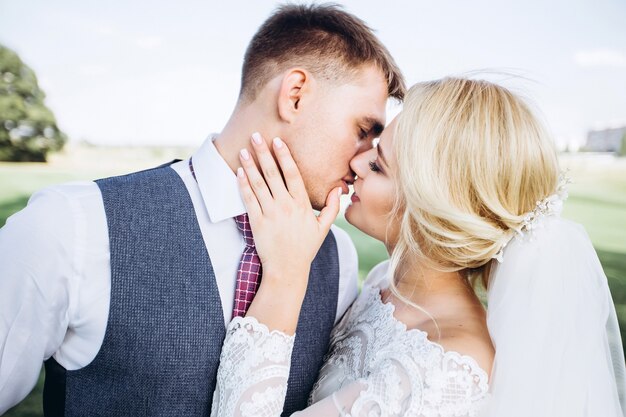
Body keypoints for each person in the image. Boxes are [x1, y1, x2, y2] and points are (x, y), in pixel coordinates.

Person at [0, 4, 405, 416]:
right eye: (362, 131)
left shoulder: (338, 258)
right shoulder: (71, 226)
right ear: (295, 95)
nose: (362, 162)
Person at [209, 78, 626, 416]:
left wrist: (285, 275)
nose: (355, 163)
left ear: (430, 211)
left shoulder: (442, 372)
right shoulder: (381, 284)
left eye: (377, 165)